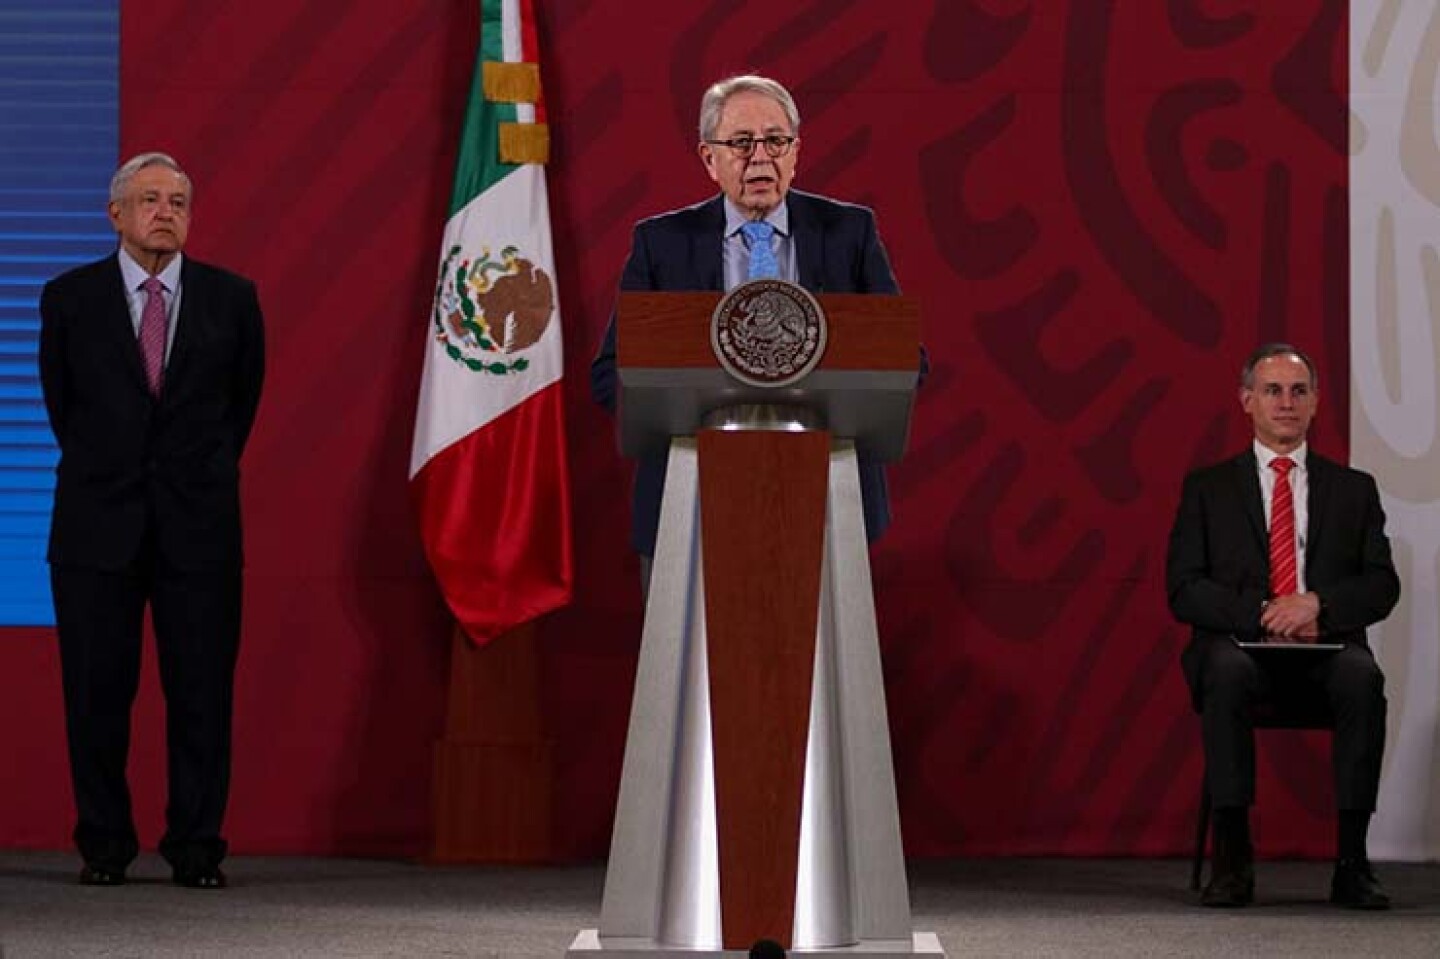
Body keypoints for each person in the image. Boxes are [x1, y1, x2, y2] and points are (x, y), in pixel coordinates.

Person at [38, 152, 265, 889]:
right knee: (96, 696)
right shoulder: (67, 298)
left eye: (176, 200)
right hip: (95, 530)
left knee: (201, 696)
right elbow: (62, 405)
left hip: (199, 530)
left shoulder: (234, 299)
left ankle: (196, 847)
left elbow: (242, 406)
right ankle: (104, 846)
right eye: (148, 199)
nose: (163, 211)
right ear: (116, 214)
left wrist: (195, 473)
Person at [590, 74, 907, 572]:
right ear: (708, 158)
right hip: (690, 497)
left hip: (827, 497)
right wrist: (687, 413)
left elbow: (903, 360)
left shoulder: (849, 233)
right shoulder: (662, 243)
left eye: (775, 140)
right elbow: (612, 373)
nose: (761, 157)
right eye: (741, 142)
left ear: (796, 151)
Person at [1166, 343, 1398, 909]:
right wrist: (1265, 613)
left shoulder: (1354, 490)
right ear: (1248, 401)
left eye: (1298, 392)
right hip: (1237, 648)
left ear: (1316, 404)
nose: (1286, 403)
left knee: (1362, 679)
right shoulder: (1208, 488)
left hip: (1326, 650)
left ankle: (1352, 862)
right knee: (1224, 670)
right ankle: (1232, 859)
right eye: (1272, 391)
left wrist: (1317, 604)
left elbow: (1380, 584)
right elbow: (1184, 587)